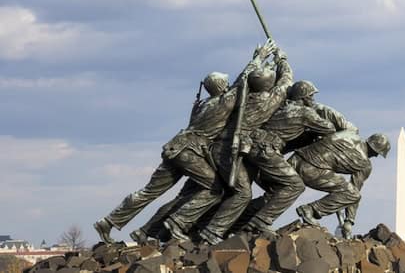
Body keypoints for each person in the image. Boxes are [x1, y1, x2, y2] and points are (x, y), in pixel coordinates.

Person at [92, 43, 274, 244]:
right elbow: (244, 80)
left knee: (149, 192)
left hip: (175, 148)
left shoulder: (201, 105)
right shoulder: (224, 102)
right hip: (190, 152)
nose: (229, 85)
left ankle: (109, 221)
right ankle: (176, 223)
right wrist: (259, 57)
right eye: (226, 83)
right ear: (222, 87)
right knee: (215, 189)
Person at [168, 47, 295, 244]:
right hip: (228, 151)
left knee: (221, 190)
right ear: (269, 85)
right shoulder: (269, 100)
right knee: (242, 193)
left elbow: (241, 81)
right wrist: (282, 60)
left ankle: (195, 227)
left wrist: (259, 59)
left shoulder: (237, 98)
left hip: (215, 149)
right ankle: (208, 231)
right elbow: (286, 81)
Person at [233, 80, 357, 238]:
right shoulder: (305, 112)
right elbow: (329, 128)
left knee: (276, 190)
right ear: (304, 97)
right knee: (295, 185)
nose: (313, 100)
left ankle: (239, 222)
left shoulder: (281, 109)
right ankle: (260, 222)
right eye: (311, 96)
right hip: (266, 151)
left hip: (255, 148)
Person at [290, 130, 390, 239]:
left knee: (275, 193)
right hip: (312, 170)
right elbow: (354, 191)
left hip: (295, 159)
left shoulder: (350, 135)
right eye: (378, 153)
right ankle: (310, 209)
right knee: (352, 194)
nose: (375, 156)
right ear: (375, 150)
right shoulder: (364, 164)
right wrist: (349, 221)